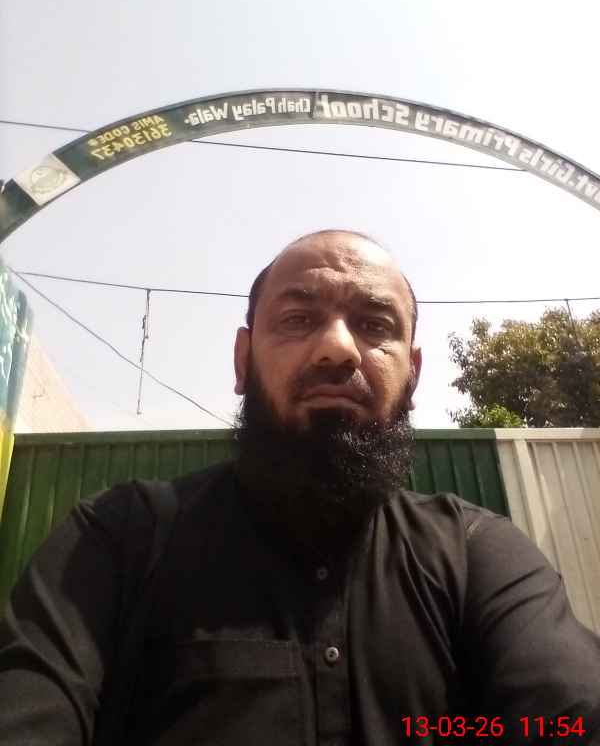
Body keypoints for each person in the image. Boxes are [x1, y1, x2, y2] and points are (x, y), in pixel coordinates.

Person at [1, 228, 599, 745]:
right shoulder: (116, 541)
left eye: (374, 325)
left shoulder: (477, 554)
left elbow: (569, 718)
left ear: (413, 375)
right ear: (243, 360)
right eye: (297, 319)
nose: (337, 349)